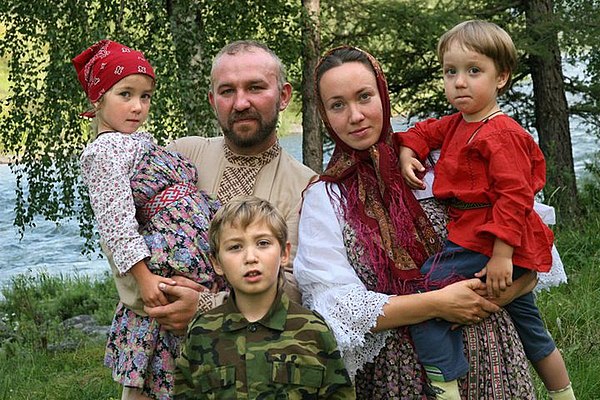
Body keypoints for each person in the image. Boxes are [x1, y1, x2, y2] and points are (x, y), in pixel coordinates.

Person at [294, 45, 539, 399]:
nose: (356, 115)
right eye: (337, 105)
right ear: (324, 115)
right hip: (396, 376)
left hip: (490, 351)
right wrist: (438, 303)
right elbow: (338, 308)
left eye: (365, 97)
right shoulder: (325, 199)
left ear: (383, 93)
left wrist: (501, 293)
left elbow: (527, 241)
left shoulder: (438, 161)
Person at [396, 20, 574, 400]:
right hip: (488, 238)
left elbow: (515, 197)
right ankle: (564, 395)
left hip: (489, 240)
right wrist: (408, 151)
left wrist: (501, 255)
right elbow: (425, 131)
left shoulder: (501, 134)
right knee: (531, 326)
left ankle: (446, 389)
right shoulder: (460, 123)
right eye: (451, 72)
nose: (460, 82)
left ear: (501, 77)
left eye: (474, 71)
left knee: (426, 297)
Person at [74, 40, 226, 400]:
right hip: (163, 257)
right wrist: (142, 278)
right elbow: (118, 224)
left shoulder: (136, 141)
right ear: (97, 98)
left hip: (190, 244)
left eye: (145, 97)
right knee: (159, 340)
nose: (137, 107)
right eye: (125, 94)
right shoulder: (103, 152)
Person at [173, 196, 355, 399]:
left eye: (263, 243)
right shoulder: (201, 332)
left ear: (284, 253)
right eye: (235, 247)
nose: (250, 257)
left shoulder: (313, 330)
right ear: (217, 263)